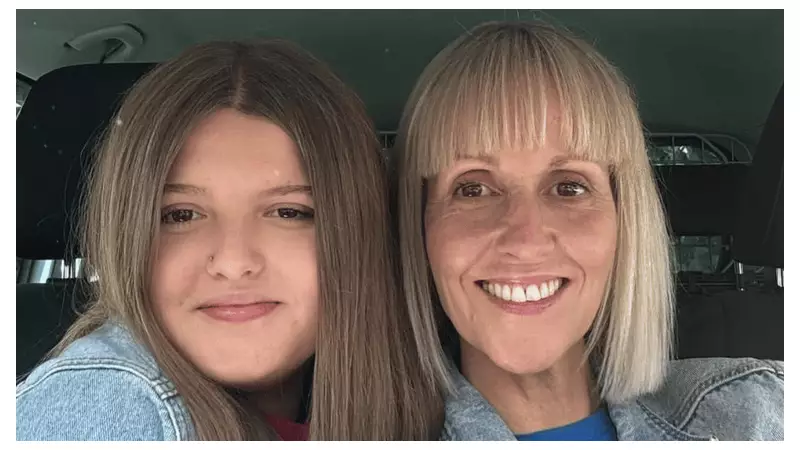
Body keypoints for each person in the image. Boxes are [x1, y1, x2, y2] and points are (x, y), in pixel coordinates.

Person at [16, 39, 441, 441]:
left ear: (358, 233)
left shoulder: (416, 391)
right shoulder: (107, 402)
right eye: (181, 215)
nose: (234, 262)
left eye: (288, 212)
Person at [395, 21, 783, 441]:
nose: (526, 242)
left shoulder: (763, 412)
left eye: (568, 187)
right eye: (473, 189)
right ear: (421, 225)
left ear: (624, 219)